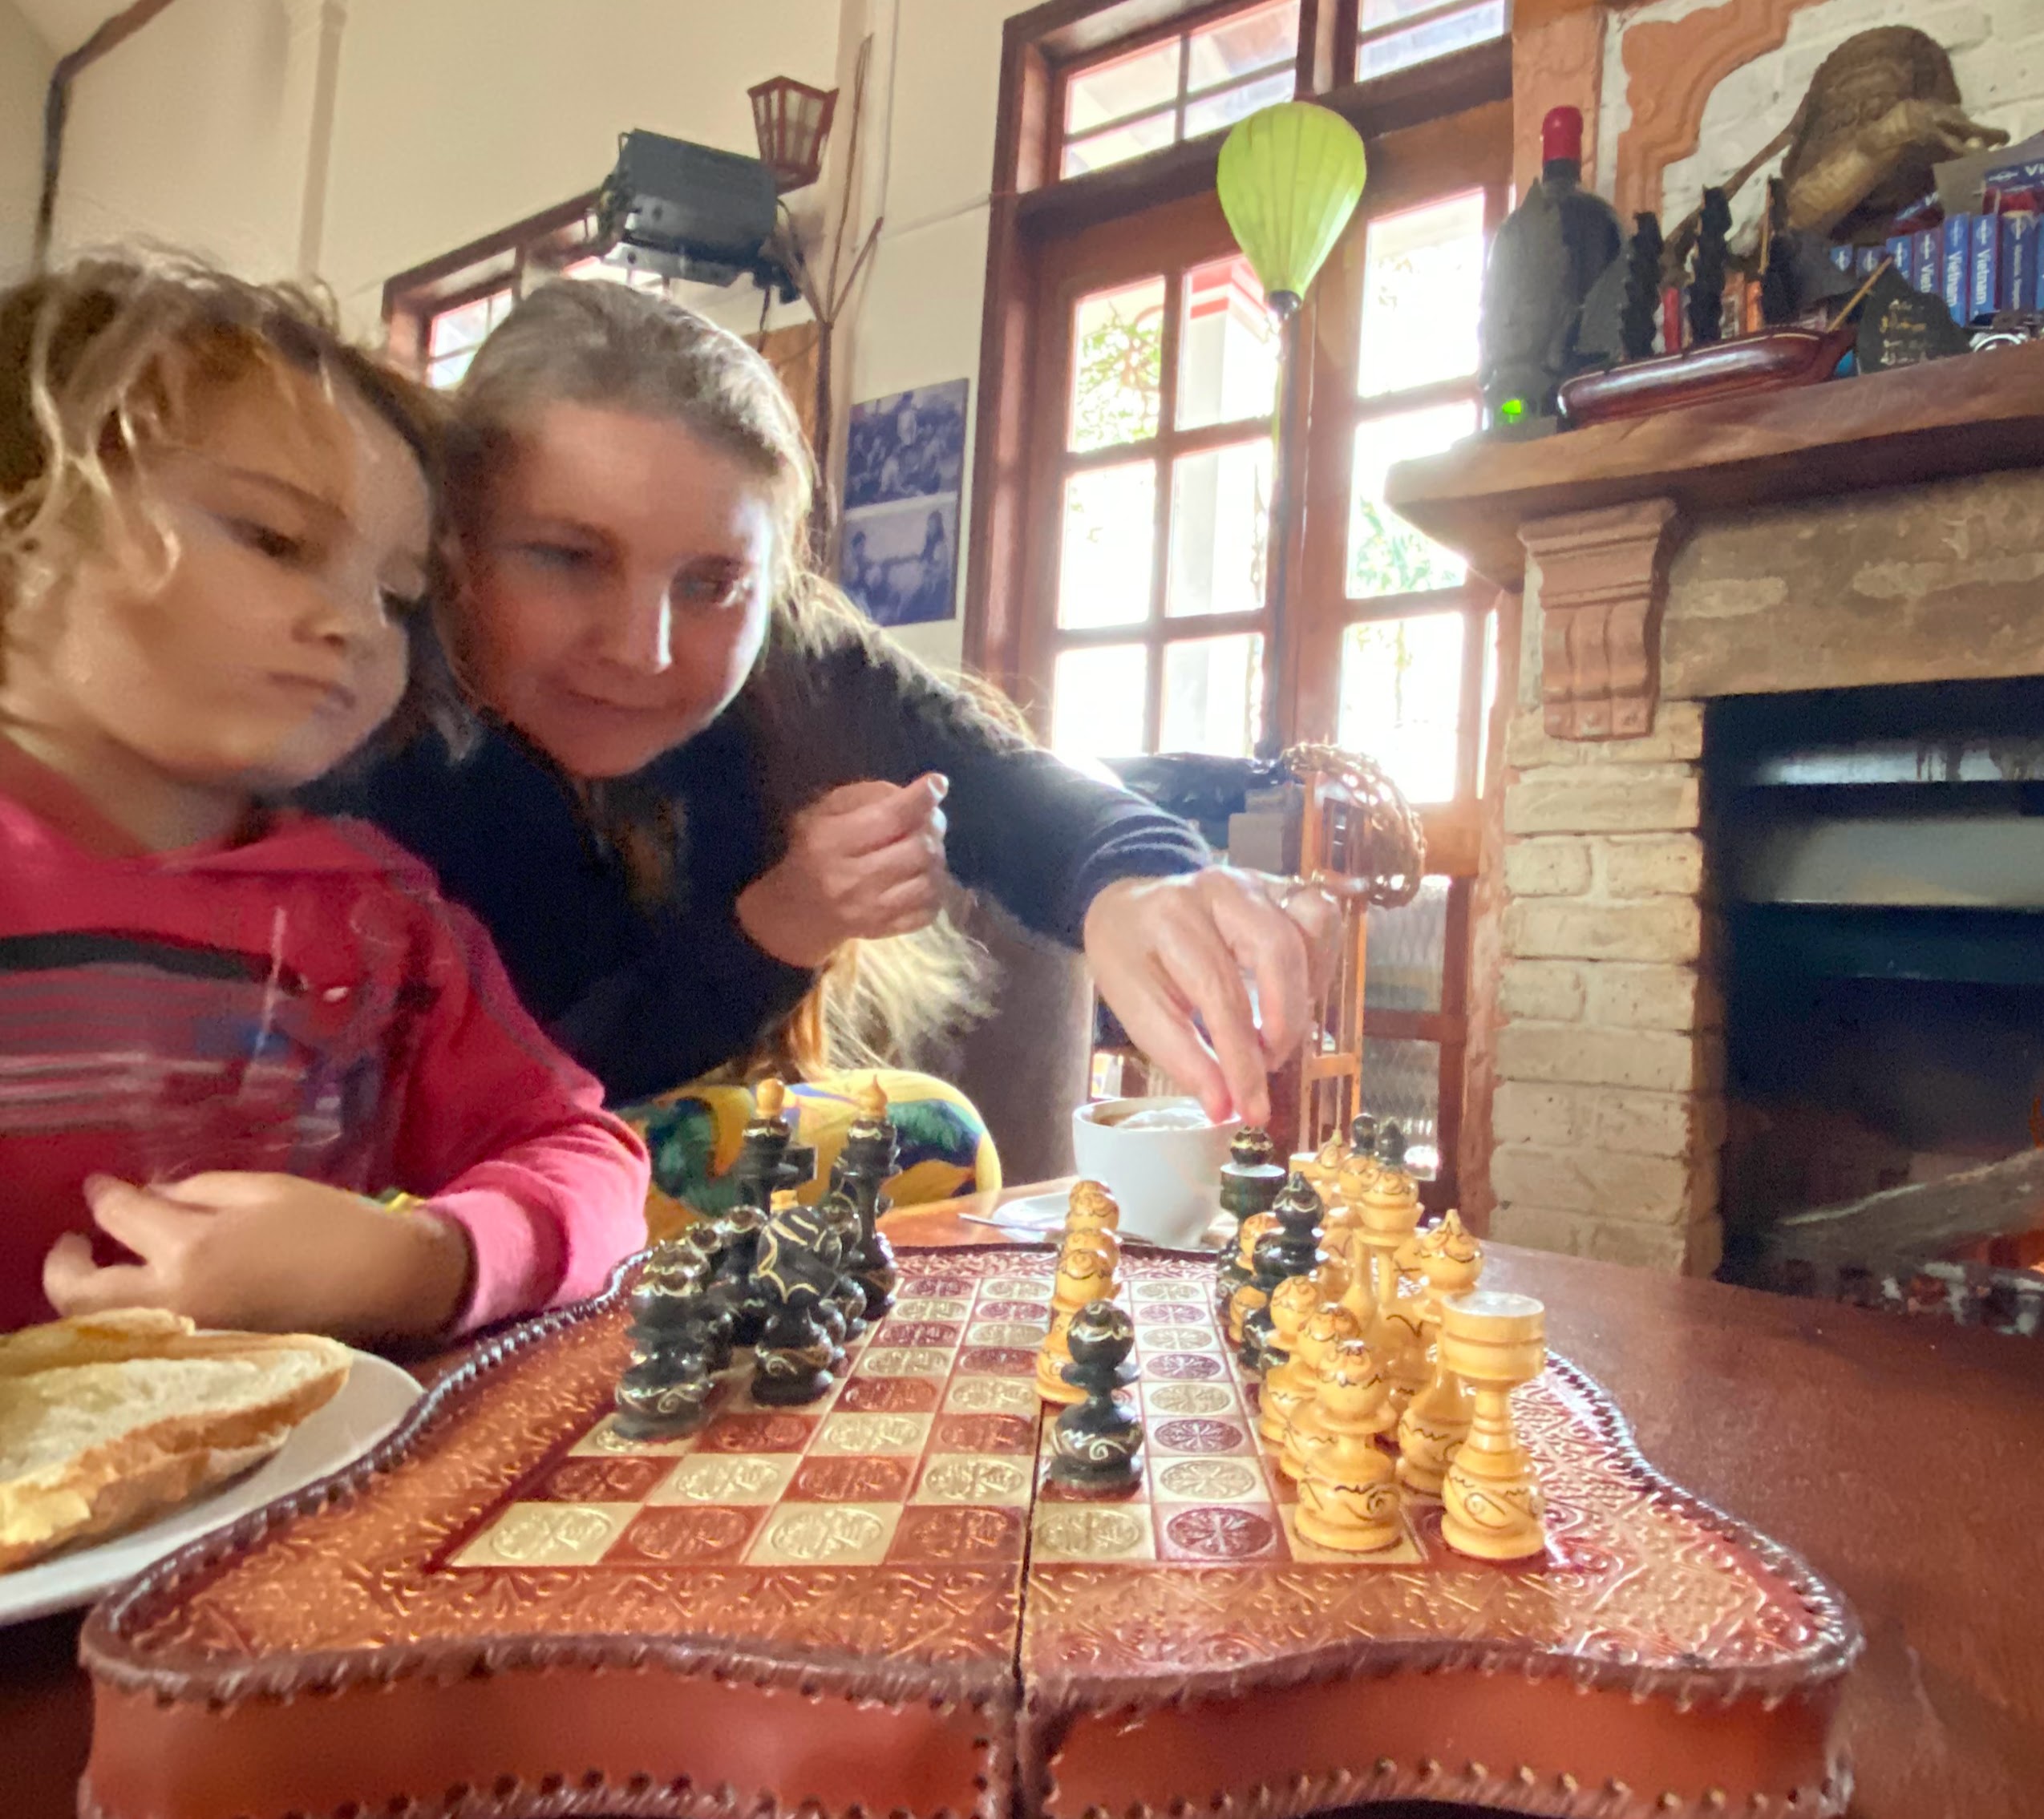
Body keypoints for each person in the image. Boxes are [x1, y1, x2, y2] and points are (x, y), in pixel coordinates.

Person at [343, 281, 1330, 1123]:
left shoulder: (797, 656)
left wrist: (1139, 877)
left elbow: (1002, 784)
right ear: (452, 547)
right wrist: (781, 926)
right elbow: (520, 1087)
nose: (644, 651)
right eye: (567, 558)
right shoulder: (360, 724)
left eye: (711, 583)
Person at [0, 253, 650, 1339]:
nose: (355, 623)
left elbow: (588, 1159)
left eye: (396, 595)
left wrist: (422, 1261)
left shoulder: (377, 924)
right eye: (274, 540)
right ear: (24, 527)